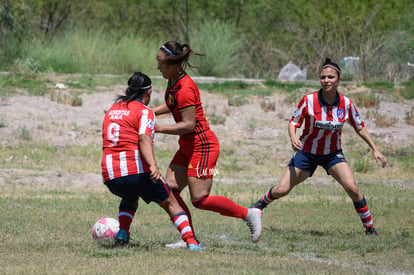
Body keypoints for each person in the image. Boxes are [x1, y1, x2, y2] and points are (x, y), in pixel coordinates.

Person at [251, 58, 387, 235]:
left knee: (352, 187)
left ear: (339, 79)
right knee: (282, 189)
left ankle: (370, 228)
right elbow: (293, 122)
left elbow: (359, 127)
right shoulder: (308, 100)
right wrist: (293, 137)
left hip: (332, 154)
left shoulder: (346, 104)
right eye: (323, 77)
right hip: (307, 152)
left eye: (331, 77)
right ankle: (259, 205)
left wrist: (375, 149)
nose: (326, 80)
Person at [153, 41, 262, 248]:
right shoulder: (174, 81)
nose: (158, 67)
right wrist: (150, 113)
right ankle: (190, 239)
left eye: (161, 63)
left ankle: (249, 214)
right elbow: (172, 103)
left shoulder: (185, 88)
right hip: (187, 145)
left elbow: (188, 124)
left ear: (174, 63)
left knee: (199, 199)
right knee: (169, 189)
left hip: (203, 147)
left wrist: (157, 128)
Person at [101, 72, 201, 251]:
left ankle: (122, 233)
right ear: (148, 92)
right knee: (171, 202)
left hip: (110, 176)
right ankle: (191, 241)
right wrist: (153, 165)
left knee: (130, 194)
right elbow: (144, 139)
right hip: (136, 172)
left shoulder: (112, 109)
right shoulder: (145, 112)